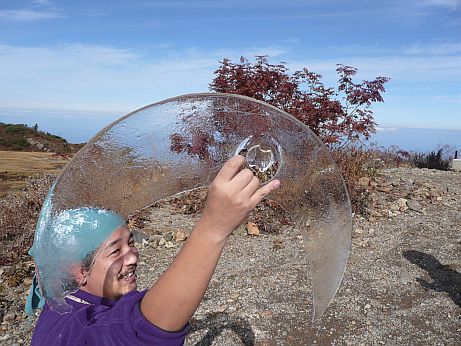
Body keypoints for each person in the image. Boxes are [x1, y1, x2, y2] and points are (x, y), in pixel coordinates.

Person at [29, 155, 281, 345]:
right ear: (78, 271)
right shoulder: (77, 327)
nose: (132, 256)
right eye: (115, 252)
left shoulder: (63, 303)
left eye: (131, 243)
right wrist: (214, 227)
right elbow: (141, 330)